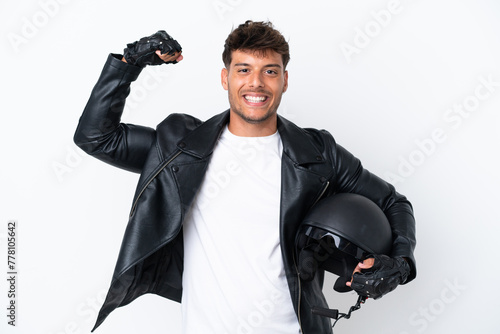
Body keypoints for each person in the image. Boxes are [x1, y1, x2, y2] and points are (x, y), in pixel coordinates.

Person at [74, 20, 416, 334]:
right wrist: (128, 63)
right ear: (226, 79)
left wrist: (399, 263)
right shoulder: (180, 148)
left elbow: (392, 202)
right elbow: (96, 138)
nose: (256, 82)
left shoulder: (318, 153)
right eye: (243, 69)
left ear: (284, 80)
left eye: (270, 71)